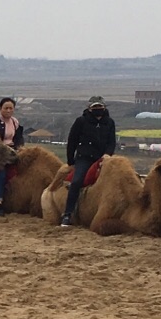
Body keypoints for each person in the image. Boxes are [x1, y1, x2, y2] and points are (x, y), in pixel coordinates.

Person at [59, 96, 117, 226]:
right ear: (89, 108)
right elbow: (72, 141)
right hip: (84, 158)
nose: (98, 109)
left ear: (104, 107)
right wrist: (70, 161)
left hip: (103, 159)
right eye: (95, 107)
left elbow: (112, 142)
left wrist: (108, 154)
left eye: (100, 107)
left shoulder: (110, 122)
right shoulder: (81, 121)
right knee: (77, 182)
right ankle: (68, 214)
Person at [0, 96, 26, 213]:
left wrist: (19, 148)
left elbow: (18, 138)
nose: (8, 111)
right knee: (2, 174)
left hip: (13, 151)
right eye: (6, 108)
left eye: (11, 108)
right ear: (0, 108)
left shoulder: (15, 122)